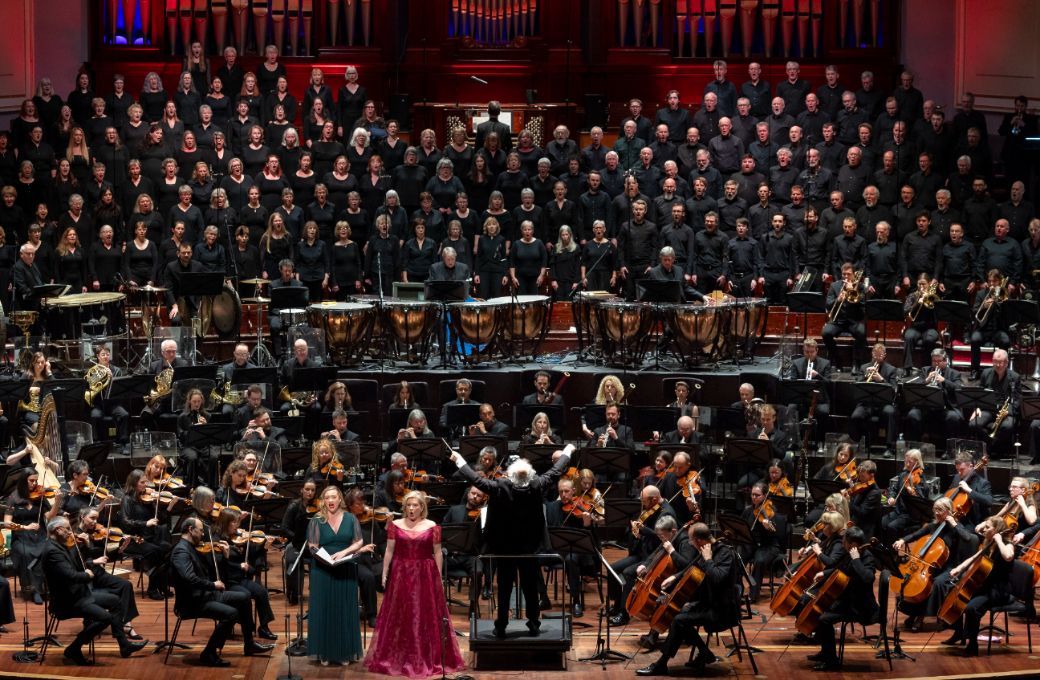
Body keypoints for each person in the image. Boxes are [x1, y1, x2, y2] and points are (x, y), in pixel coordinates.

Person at [448, 444, 573, 637]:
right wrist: (568, 451)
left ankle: (501, 626)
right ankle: (533, 623)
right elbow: (556, 471)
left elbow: (475, 479)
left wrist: (459, 460)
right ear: (529, 475)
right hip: (529, 546)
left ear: (510, 476)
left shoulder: (500, 486)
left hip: (504, 546)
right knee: (530, 586)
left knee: (505, 587)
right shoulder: (537, 484)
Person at [365, 491, 466, 677]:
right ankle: (399, 654)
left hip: (425, 573)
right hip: (401, 572)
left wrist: (439, 577)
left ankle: (425, 656)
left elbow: (437, 552)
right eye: (408, 505)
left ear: (422, 507)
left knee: (423, 612)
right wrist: (385, 572)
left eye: (415, 505)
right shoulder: (395, 525)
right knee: (400, 613)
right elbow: (389, 550)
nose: (411, 509)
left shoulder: (432, 526)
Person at [636, 522, 741, 676]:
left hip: (722, 609)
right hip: (707, 603)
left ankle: (661, 664)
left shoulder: (725, 554)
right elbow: (693, 567)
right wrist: (675, 577)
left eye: (691, 540)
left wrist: (708, 560)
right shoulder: (706, 549)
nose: (690, 543)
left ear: (699, 540)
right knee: (675, 616)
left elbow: (718, 578)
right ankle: (704, 653)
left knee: (679, 620)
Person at [41, 517, 147, 665]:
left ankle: (124, 645)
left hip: (79, 594)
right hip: (67, 601)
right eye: (68, 529)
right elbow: (71, 576)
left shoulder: (60, 545)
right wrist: (87, 575)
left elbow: (79, 564)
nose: (70, 532)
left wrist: (84, 546)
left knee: (116, 601)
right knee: (106, 618)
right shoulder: (53, 551)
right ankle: (74, 648)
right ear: (58, 530)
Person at [170, 517, 273, 667]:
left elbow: (212, 568)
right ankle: (209, 653)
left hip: (205, 596)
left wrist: (224, 557)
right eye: (200, 531)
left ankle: (249, 643)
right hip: (192, 602)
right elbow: (189, 578)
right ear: (191, 530)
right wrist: (212, 585)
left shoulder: (193, 547)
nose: (203, 534)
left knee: (244, 597)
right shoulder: (181, 551)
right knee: (231, 613)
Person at [306, 485, 375, 665]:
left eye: (333, 497)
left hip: (345, 567)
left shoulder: (351, 518)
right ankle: (324, 652)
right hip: (322, 569)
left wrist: (343, 553)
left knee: (344, 609)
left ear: (339, 500)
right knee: (324, 609)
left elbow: (358, 541)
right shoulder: (317, 520)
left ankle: (345, 652)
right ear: (323, 500)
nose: (330, 500)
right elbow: (312, 545)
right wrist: (326, 559)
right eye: (327, 497)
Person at [942, 516, 1018, 657]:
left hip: (998, 590)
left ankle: (973, 645)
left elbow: (1008, 556)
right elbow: (974, 557)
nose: (984, 529)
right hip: (985, 586)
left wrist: (999, 541)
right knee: (956, 595)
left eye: (987, 527)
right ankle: (959, 633)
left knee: (971, 608)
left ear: (996, 530)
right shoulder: (987, 543)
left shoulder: (1008, 544)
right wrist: (959, 568)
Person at [804, 526, 879, 670]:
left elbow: (868, 578)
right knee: (819, 609)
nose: (842, 543)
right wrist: (825, 573)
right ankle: (826, 653)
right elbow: (842, 568)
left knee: (824, 619)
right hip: (848, 601)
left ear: (853, 544)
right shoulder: (849, 553)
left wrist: (856, 560)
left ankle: (831, 661)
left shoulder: (866, 557)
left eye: (844, 541)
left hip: (860, 607)